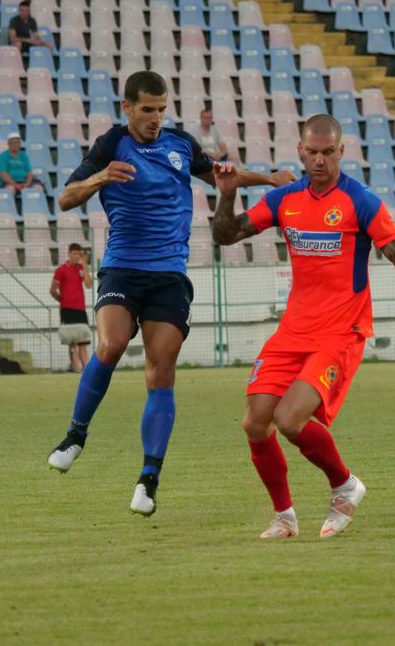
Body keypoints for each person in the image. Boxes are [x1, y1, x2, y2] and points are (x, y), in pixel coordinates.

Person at [45, 70, 295, 516]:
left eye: (161, 109)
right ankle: (76, 434)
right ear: (127, 108)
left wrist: (268, 178)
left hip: (168, 276)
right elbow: (65, 199)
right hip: (122, 269)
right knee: (111, 344)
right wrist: (100, 177)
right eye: (147, 109)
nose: (156, 118)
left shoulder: (180, 145)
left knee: (161, 372)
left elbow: (220, 174)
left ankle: (148, 479)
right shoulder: (111, 145)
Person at [212, 114, 395, 539]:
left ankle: (345, 485)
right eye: (311, 152)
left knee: (290, 419)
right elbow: (227, 235)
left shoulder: (360, 200)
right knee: (256, 422)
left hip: (339, 332)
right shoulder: (286, 199)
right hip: (292, 331)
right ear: (300, 151)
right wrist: (226, 195)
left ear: (341, 152)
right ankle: (285, 517)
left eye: (327, 152)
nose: (319, 160)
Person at [51, 243, 94, 373]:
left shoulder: (81, 268)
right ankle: (76, 367)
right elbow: (53, 290)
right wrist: (63, 300)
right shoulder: (61, 270)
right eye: (75, 254)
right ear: (69, 254)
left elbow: (88, 284)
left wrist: (85, 263)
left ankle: (86, 368)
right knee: (72, 340)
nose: (77, 257)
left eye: (79, 254)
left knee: (83, 340)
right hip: (67, 309)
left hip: (80, 309)